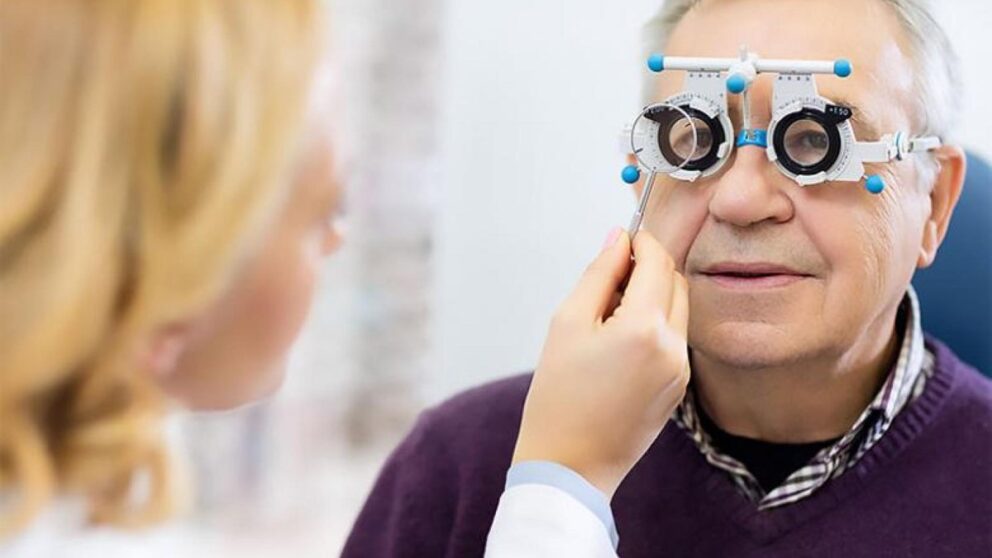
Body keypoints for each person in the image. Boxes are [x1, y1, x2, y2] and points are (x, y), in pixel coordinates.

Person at [0, 1, 690, 555]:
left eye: (805, 141)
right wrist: (561, 487)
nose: (336, 240)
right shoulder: (457, 454)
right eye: (322, 209)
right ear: (182, 244)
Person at [343, 0, 992, 556]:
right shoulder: (461, 468)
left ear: (934, 204)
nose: (738, 201)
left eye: (810, 143)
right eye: (690, 139)